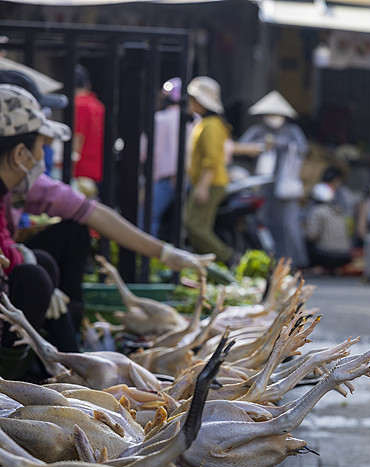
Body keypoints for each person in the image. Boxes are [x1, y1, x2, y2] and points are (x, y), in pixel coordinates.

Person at [0, 84, 214, 379]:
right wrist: (21, 262)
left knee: (54, 252)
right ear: (19, 153)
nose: (44, 155)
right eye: (41, 145)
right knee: (35, 275)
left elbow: (93, 213)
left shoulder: (15, 186)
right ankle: (18, 377)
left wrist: (165, 253)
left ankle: (67, 363)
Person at [235, 90, 309, 269]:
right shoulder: (257, 131)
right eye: (270, 115)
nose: (273, 118)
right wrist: (259, 147)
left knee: (287, 224)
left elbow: (302, 149)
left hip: (284, 188)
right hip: (262, 186)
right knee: (261, 221)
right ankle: (268, 260)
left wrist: (281, 144)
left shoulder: (293, 132)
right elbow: (242, 148)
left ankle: (293, 261)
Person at [184, 76, 234, 267]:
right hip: (206, 181)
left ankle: (227, 258)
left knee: (193, 225)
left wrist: (203, 187)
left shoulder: (212, 125)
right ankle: (204, 269)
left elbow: (211, 160)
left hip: (211, 183)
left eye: (192, 99)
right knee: (197, 228)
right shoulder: (205, 123)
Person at [146, 77, 183, 239]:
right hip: (188, 179)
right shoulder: (194, 120)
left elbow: (146, 150)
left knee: (147, 218)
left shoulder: (159, 119)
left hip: (165, 179)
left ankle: (146, 257)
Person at [303, 182, 352, 274]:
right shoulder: (339, 210)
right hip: (345, 255)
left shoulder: (317, 211)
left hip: (325, 254)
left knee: (306, 241)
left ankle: (314, 267)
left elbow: (311, 235)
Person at [72, 64, 105, 198]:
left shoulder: (79, 104)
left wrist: (70, 164)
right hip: (95, 168)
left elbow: (78, 136)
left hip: (79, 169)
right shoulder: (98, 105)